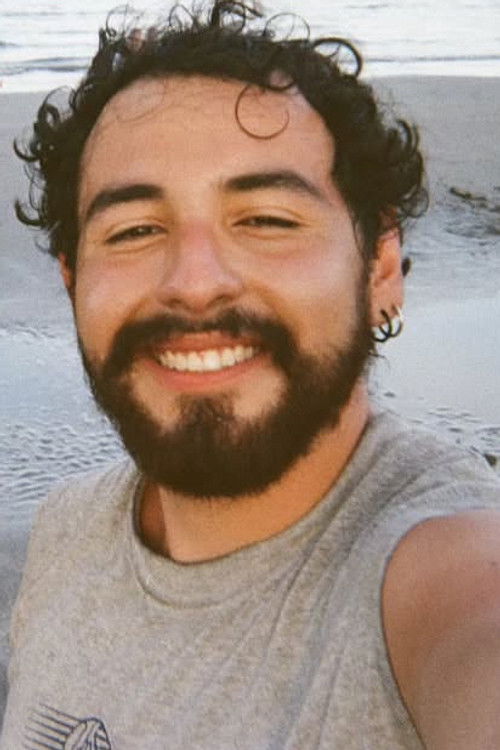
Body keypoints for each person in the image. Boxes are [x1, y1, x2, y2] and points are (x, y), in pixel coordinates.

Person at [2, 2, 500, 747]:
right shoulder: (66, 531)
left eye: (267, 219)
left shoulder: (447, 578)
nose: (195, 283)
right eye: (134, 230)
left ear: (380, 268)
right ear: (74, 281)